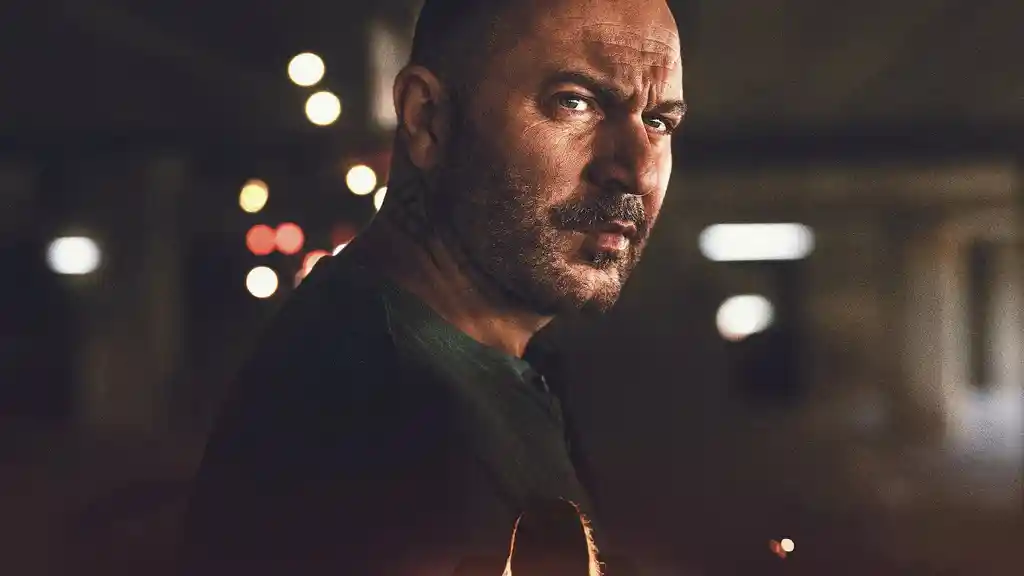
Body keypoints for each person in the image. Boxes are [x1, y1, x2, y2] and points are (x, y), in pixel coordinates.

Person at [178, 0, 685, 572]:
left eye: (659, 122)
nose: (636, 169)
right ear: (428, 117)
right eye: (575, 102)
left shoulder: (453, 362)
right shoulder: (378, 417)